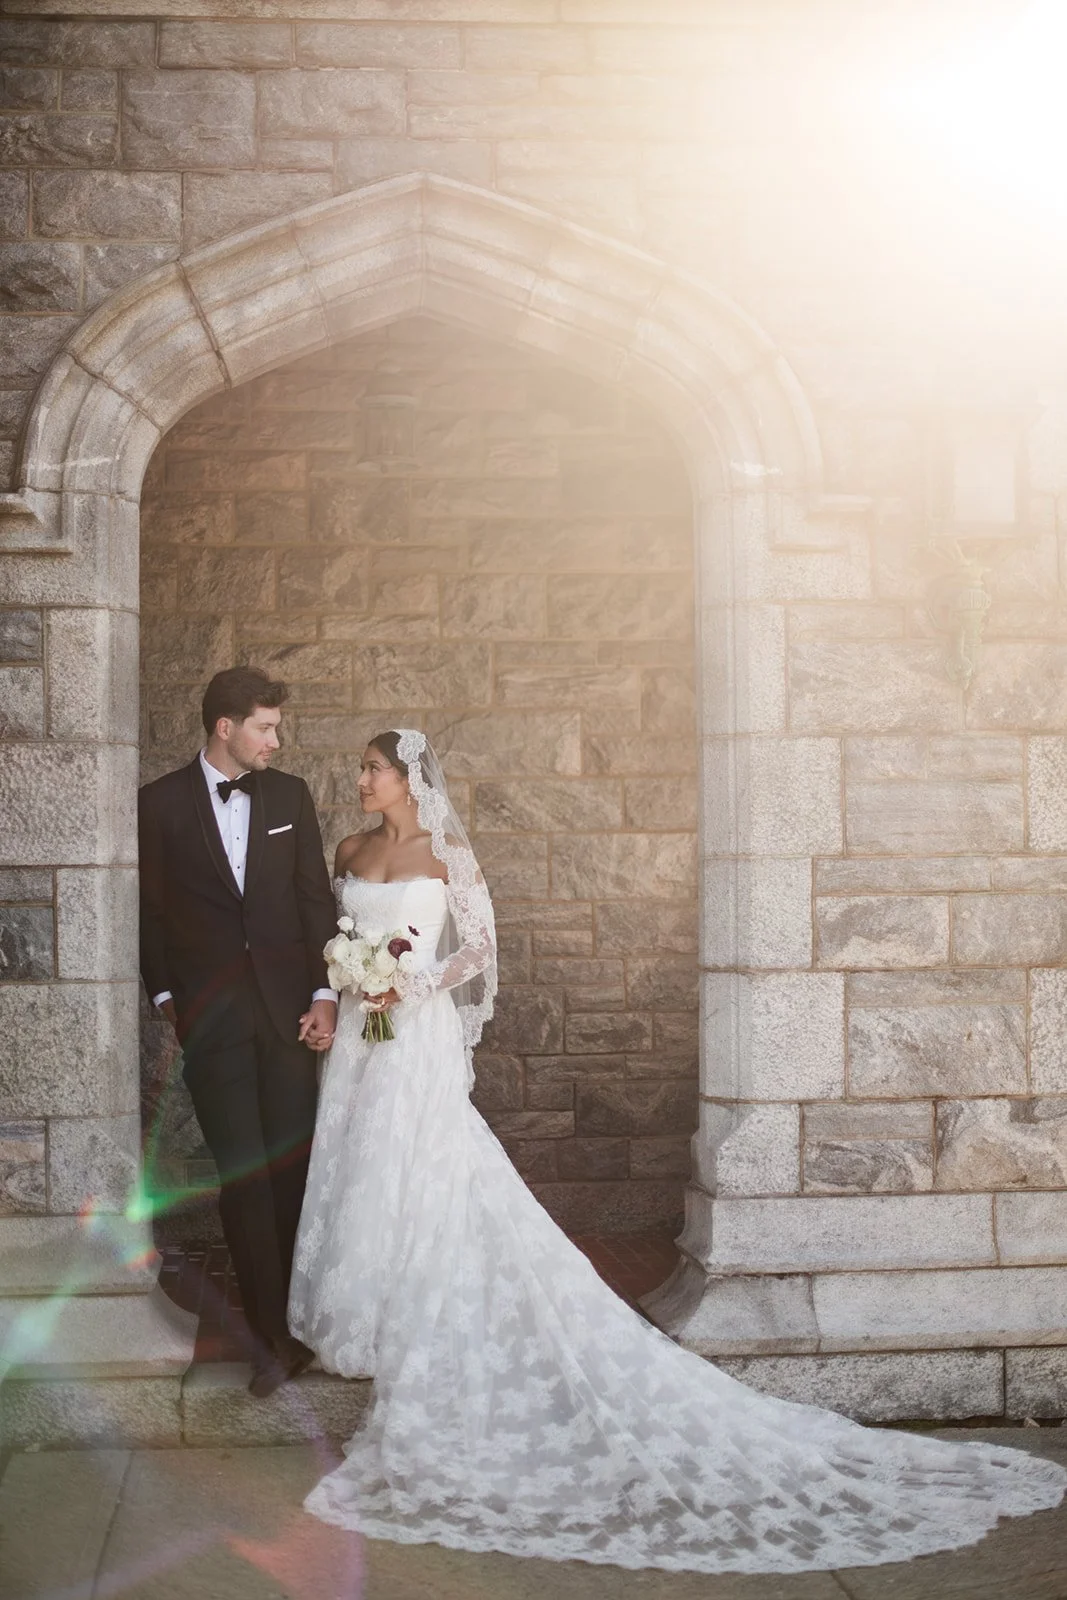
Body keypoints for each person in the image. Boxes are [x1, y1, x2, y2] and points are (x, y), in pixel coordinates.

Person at [289, 727, 1066, 1574]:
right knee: (360, 1155)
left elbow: (476, 949)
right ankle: (359, 1303)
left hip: (413, 1032)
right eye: (362, 770)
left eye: (372, 769)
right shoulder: (351, 846)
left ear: (409, 780)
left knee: (425, 1163)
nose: (359, 780)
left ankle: (418, 1303)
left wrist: (406, 982)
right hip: (362, 1040)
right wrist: (340, 988)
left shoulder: (444, 857)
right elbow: (333, 936)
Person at [139, 666, 338, 1399]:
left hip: (290, 1017)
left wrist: (325, 994)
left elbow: (312, 896)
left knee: (289, 1173)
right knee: (244, 1179)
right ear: (225, 727)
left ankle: (299, 1319)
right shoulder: (157, 805)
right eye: (264, 726)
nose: (274, 739)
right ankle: (270, 1341)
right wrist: (169, 999)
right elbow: (150, 914)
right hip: (212, 1025)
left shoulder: (288, 796)